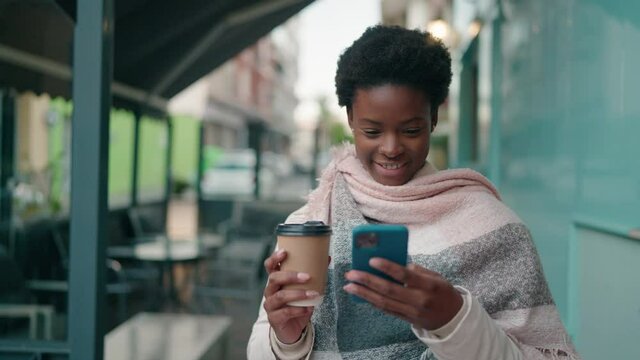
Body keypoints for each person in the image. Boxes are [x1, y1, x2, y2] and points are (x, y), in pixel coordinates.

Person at [248, 25, 579, 360]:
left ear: (433, 119)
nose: (391, 148)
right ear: (350, 119)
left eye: (410, 130)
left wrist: (454, 320)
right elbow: (261, 350)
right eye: (372, 131)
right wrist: (287, 340)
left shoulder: (494, 227)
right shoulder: (312, 223)